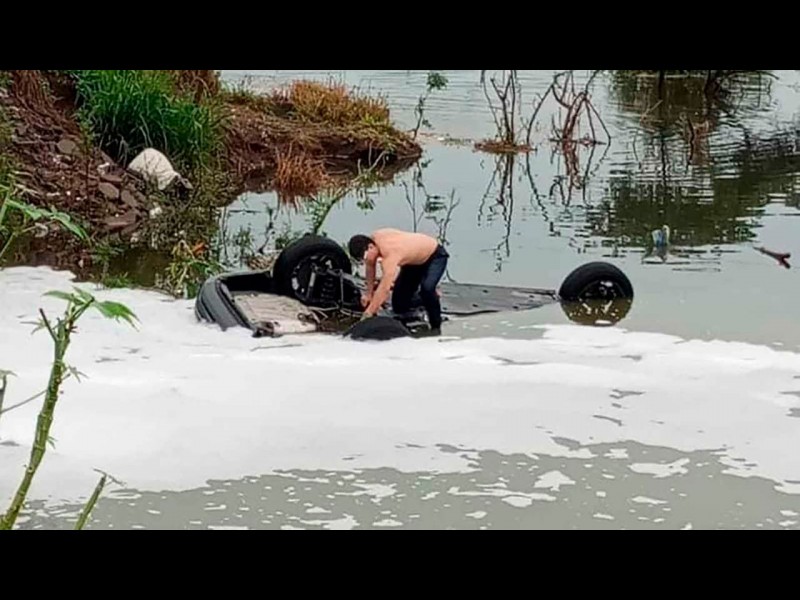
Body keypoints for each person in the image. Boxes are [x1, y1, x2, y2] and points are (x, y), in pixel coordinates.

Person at [348, 228, 449, 333]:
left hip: (434, 256)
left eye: (365, 258)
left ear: (370, 247)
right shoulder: (372, 243)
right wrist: (368, 294)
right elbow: (370, 267)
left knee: (427, 288)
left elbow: (384, 289)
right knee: (399, 305)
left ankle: (436, 325)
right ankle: (428, 298)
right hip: (412, 262)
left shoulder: (390, 254)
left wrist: (369, 313)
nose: (366, 261)